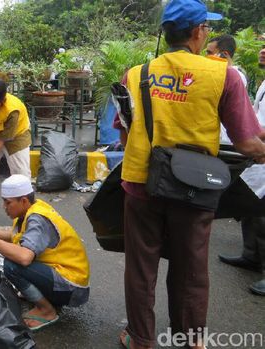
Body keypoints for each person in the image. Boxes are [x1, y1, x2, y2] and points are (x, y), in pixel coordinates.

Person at [115, 1, 265, 348]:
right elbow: (246, 142)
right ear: (198, 32)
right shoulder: (222, 74)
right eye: (207, 28)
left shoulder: (136, 74)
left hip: (141, 183)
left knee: (141, 268)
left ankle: (140, 338)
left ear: (165, 35)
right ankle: (191, 339)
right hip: (195, 187)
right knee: (192, 267)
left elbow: (124, 133)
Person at [0, 174, 90, 330]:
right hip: (65, 278)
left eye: (8, 203)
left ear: (24, 201)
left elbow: (24, 258)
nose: (4, 207)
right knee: (14, 257)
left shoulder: (37, 219)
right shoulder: (31, 209)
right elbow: (15, 236)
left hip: (72, 286)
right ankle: (43, 296)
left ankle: (47, 311)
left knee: (12, 265)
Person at [218, 47, 265, 297]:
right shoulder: (263, 83)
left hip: (259, 149)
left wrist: (247, 134)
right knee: (252, 208)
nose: (263, 51)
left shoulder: (236, 76)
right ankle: (251, 256)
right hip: (256, 152)